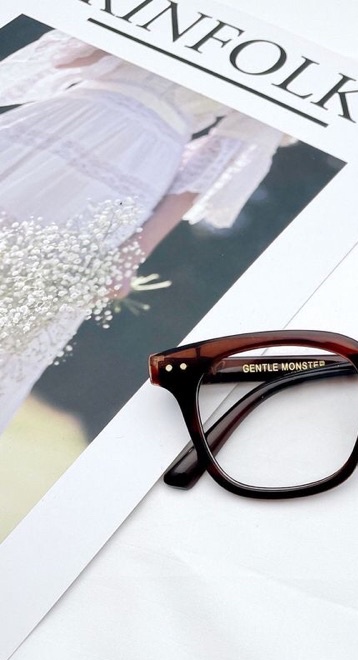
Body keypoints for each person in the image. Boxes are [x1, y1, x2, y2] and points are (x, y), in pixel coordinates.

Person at [0, 29, 288, 433]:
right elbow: (71, 58)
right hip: (61, 120)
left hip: (135, 167)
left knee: (21, 315)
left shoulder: (287, 53)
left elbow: (214, 162)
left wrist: (131, 255)